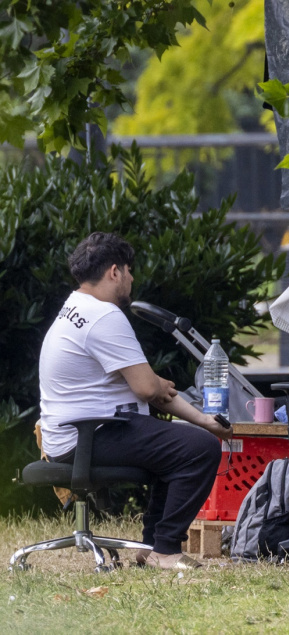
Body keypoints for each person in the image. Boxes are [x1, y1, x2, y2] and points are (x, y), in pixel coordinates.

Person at [39, 232, 232, 570]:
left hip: (72, 435)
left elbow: (147, 387)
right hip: (91, 435)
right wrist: (199, 419)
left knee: (172, 446)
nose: (132, 279)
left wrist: (186, 409)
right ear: (114, 271)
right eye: (129, 271)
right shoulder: (104, 315)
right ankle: (166, 549)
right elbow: (146, 389)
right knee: (199, 448)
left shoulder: (73, 308)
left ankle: (149, 546)